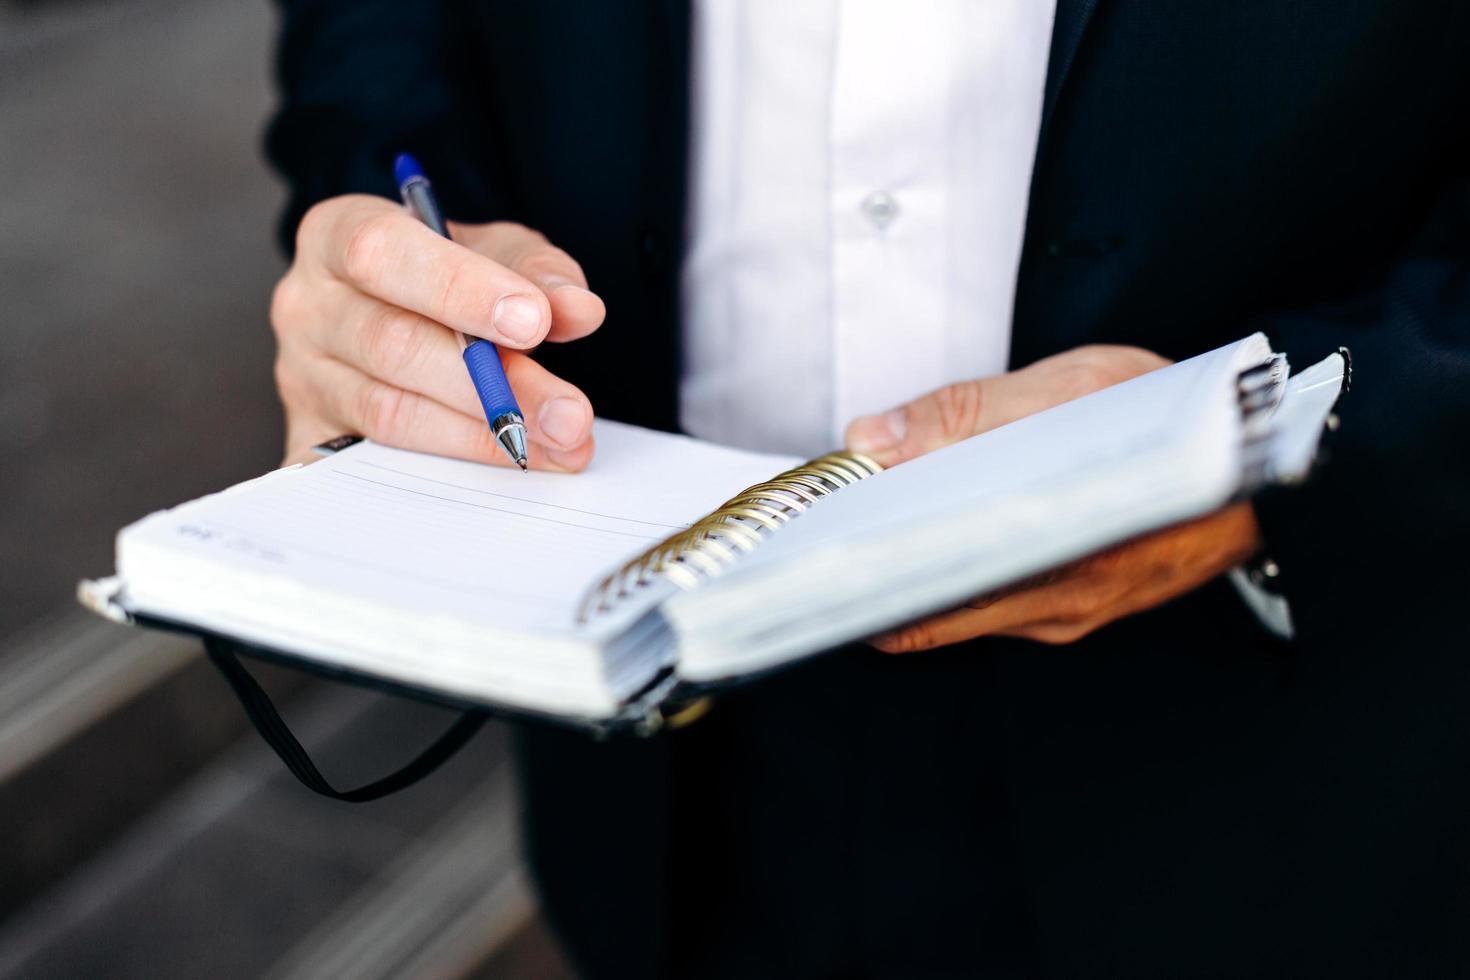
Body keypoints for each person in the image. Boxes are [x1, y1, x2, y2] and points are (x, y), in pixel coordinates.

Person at [265, 2, 1470, 976]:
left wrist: (1289, 437)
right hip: (668, 751)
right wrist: (387, 236)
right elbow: (377, 38)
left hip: (1274, 756)